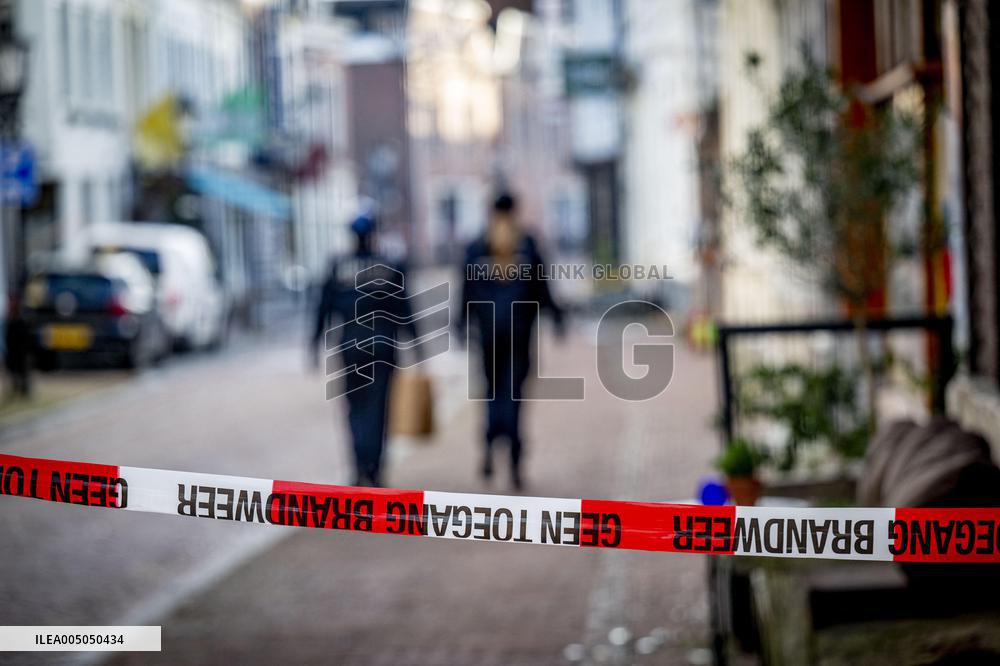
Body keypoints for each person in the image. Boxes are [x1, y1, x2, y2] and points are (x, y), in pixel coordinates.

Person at [459, 192, 564, 489]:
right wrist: (556, 317)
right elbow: (543, 287)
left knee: (492, 393)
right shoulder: (527, 245)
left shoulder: (477, 247)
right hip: (519, 335)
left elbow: (465, 290)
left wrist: (462, 323)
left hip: (488, 335)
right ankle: (515, 463)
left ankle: (489, 448)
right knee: (514, 397)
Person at [311, 212, 418, 487]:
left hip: (351, 350)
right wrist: (417, 344)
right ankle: (375, 469)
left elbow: (323, 309)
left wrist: (313, 345)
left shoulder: (338, 267)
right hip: (383, 349)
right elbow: (404, 308)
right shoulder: (389, 266)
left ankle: (359, 466)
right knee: (379, 410)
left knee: (354, 409)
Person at [4, 293, 33, 400]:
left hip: (21, 351)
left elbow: (26, 337)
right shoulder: (10, 320)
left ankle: (24, 391)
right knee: (14, 371)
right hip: (13, 350)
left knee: (23, 371)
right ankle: (16, 389)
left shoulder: (22, 319)